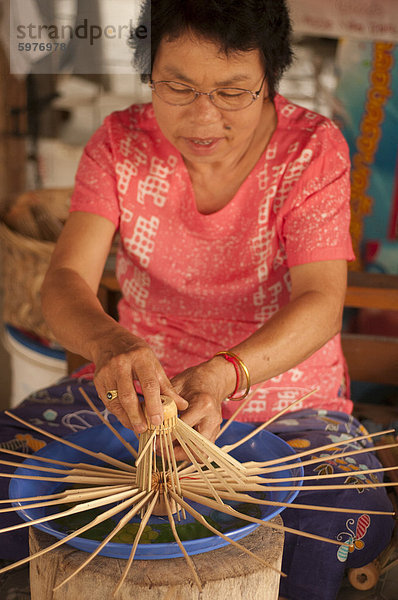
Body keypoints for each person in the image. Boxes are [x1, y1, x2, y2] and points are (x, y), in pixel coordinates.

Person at [0, 2, 393, 599]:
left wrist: (225, 373)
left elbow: (320, 299)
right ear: (148, 72)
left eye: (234, 91)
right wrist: (111, 343)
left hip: (283, 402)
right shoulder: (119, 142)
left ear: (271, 78)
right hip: (138, 398)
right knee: (11, 475)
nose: (203, 116)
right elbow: (65, 282)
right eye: (177, 86)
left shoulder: (311, 149)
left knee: (333, 522)